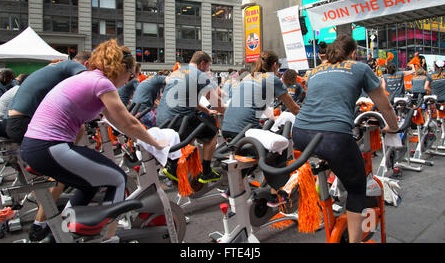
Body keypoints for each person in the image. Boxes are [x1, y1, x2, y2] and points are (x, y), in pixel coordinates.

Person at [20, 39, 168, 241]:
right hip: (50, 146)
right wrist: (156, 143)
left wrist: (137, 135)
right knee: (117, 178)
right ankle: (107, 237)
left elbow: (115, 118)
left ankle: (58, 234)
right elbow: (129, 124)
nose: (128, 80)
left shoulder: (91, 78)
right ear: (121, 68)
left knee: (89, 185)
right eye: (130, 74)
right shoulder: (102, 82)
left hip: (37, 146)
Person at [292, 34, 398, 243]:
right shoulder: (360, 68)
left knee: (333, 158)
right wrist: (393, 127)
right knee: (357, 189)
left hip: (301, 133)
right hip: (334, 136)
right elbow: (383, 104)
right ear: (353, 53)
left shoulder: (315, 71)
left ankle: (323, 197)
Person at [5, 51, 91, 242]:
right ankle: (41, 226)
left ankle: (43, 220)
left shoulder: (53, 69)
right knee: (62, 171)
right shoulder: (70, 67)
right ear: (86, 63)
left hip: (14, 122)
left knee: (57, 166)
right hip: (22, 123)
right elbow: (86, 82)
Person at [221, 50, 301, 207]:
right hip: (244, 131)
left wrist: (272, 117)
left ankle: (230, 189)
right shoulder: (272, 79)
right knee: (280, 145)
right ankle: (274, 195)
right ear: (275, 65)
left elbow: (255, 104)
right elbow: (294, 108)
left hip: (227, 129)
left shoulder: (249, 78)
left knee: (248, 154)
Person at [157, 51, 225, 184]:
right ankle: (206, 172)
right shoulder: (199, 74)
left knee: (195, 129)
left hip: (162, 119)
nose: (208, 70)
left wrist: (206, 110)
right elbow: (216, 102)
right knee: (212, 132)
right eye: (208, 67)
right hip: (179, 120)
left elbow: (189, 100)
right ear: (202, 64)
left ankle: (174, 166)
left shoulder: (177, 72)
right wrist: (229, 112)